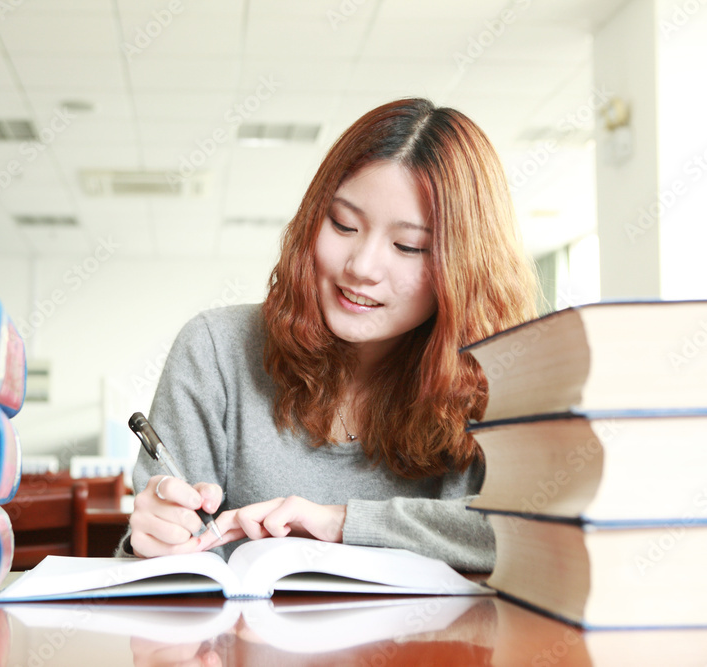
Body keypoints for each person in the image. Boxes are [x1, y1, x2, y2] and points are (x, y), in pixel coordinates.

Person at [120, 98, 539, 570]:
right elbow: (167, 564)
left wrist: (341, 523)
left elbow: (532, 532)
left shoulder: (495, 377)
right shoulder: (215, 349)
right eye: (342, 223)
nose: (360, 267)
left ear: (464, 269)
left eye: (408, 246)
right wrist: (151, 538)